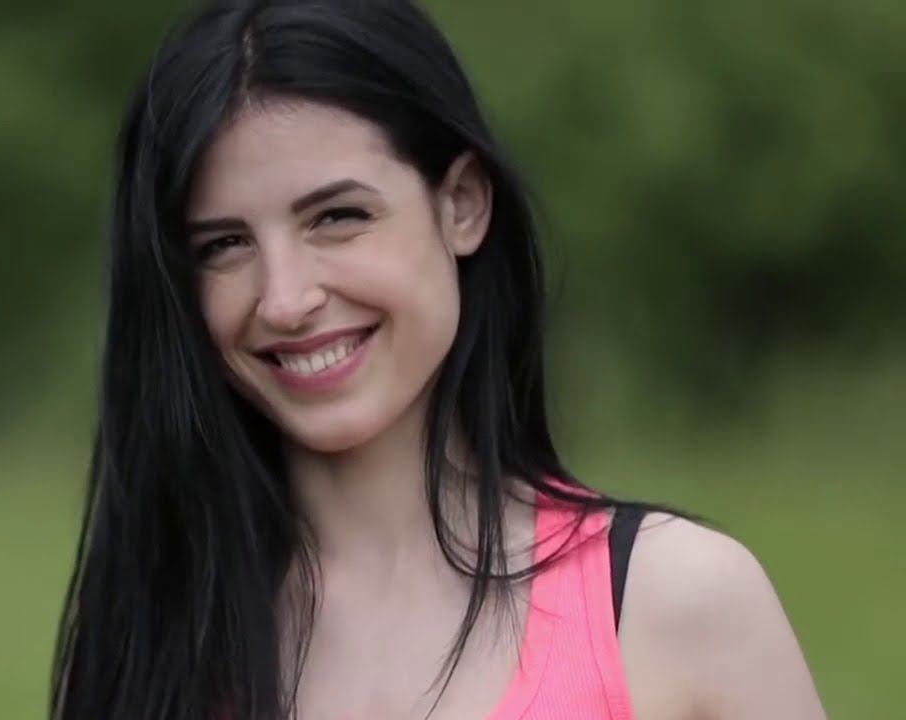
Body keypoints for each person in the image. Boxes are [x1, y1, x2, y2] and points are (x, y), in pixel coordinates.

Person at [49, 1, 826, 718]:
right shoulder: (153, 638)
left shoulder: (675, 602)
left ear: (462, 204)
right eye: (224, 245)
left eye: (337, 217)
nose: (284, 299)